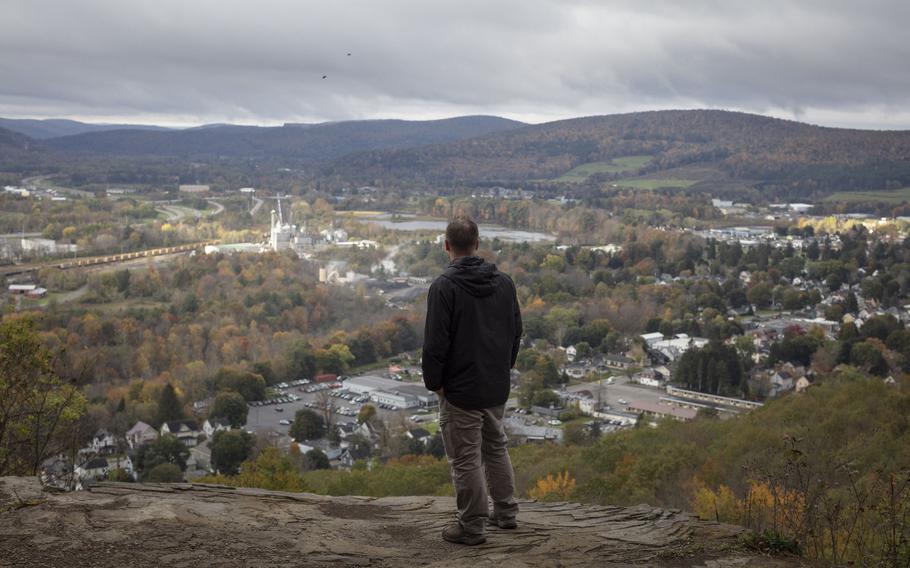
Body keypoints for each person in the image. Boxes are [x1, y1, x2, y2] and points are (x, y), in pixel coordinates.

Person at [422, 216, 523, 545]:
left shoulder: (444, 287)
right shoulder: (505, 282)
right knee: (496, 448)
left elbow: (435, 344)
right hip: (495, 386)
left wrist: (435, 383)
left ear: (446, 246)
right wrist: (503, 368)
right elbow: (515, 332)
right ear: (477, 244)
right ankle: (506, 513)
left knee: (465, 459)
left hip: (461, 391)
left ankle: (472, 526)